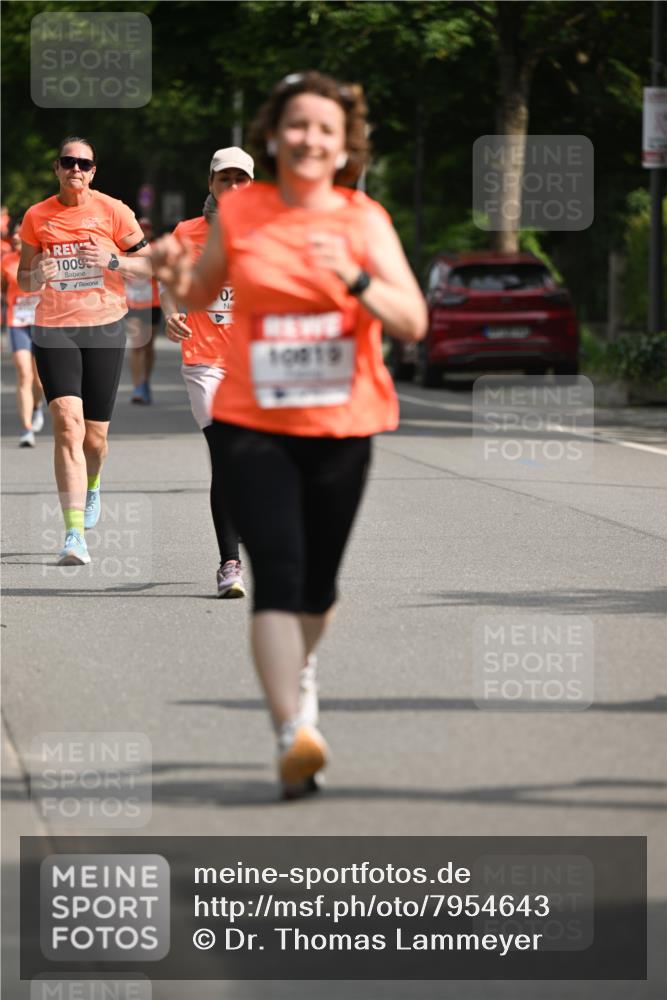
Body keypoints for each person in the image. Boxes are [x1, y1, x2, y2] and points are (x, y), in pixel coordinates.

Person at [153, 72, 427, 798]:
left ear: (343, 147)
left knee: (319, 585)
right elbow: (199, 291)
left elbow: (412, 321)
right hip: (252, 419)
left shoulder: (363, 220)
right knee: (275, 570)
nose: (310, 139)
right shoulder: (240, 219)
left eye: (325, 130)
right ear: (274, 137)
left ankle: (301, 676)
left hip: (343, 422)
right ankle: (291, 732)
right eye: (297, 126)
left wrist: (355, 281)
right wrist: (174, 287)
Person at [18, 137, 152, 565]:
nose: (75, 169)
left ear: (93, 172)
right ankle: (73, 534)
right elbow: (22, 278)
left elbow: (149, 264)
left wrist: (113, 261)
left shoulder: (114, 211)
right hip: (54, 328)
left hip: (103, 328)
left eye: (84, 163)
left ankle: (93, 484)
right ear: (56, 168)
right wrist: (37, 272)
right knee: (66, 424)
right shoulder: (37, 216)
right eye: (68, 162)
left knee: (95, 439)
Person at [160, 147, 254, 598]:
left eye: (242, 179)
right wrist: (169, 312)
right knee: (229, 454)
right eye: (225, 179)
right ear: (211, 183)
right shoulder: (187, 233)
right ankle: (229, 563)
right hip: (205, 362)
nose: (233, 188)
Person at [1, 222, 45, 446]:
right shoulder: (6, 262)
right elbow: (2, 289)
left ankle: (37, 407)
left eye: (21, 233)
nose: (17, 237)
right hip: (17, 322)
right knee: (23, 373)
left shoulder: (43, 258)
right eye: (15, 234)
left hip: (41, 321)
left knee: (39, 379)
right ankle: (27, 429)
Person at [125, 216, 161, 404]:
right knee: (137, 345)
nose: (144, 231)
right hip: (133, 304)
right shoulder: (126, 250)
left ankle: (146, 381)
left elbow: (163, 273)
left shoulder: (156, 250)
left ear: (151, 231)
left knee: (148, 346)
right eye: (141, 228)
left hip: (153, 304)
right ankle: (137, 386)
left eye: (147, 228)